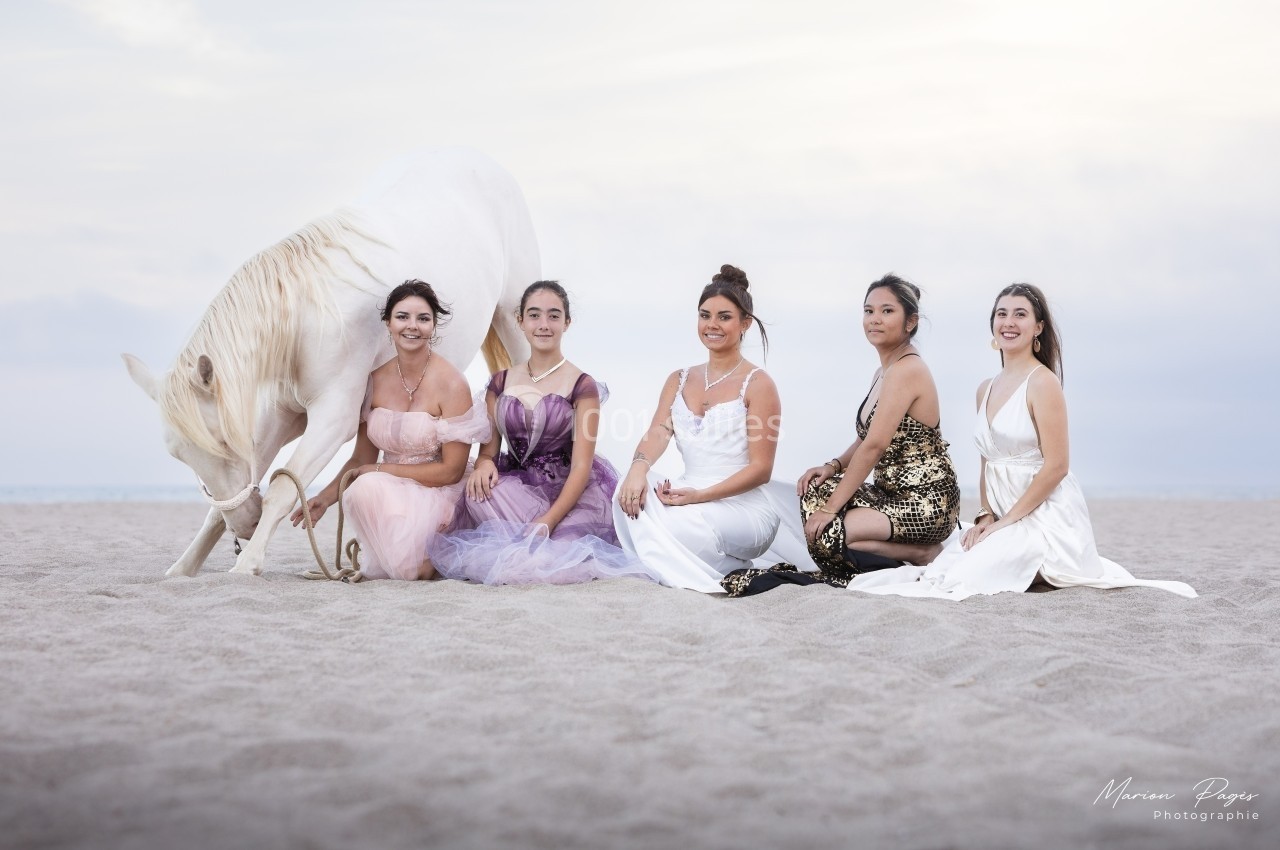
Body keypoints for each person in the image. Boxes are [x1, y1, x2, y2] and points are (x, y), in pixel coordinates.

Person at [848, 283, 1197, 600]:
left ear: (1038, 328)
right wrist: (986, 515)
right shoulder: (985, 388)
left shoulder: (1043, 383)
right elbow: (988, 460)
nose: (1009, 322)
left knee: (963, 579)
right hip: (1003, 515)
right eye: (1002, 314)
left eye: (1020, 314)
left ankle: (1033, 561)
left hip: (1045, 517)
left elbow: (1057, 467)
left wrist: (1005, 523)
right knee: (959, 560)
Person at [720, 274, 961, 596]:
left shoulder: (909, 369)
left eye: (887, 311)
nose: (874, 319)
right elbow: (866, 437)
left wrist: (832, 509)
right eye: (868, 310)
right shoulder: (884, 371)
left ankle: (922, 552)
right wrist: (832, 466)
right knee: (815, 489)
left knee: (829, 530)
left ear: (910, 321)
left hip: (927, 501)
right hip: (890, 493)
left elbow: (875, 447)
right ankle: (894, 547)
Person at [428, 281, 652, 585]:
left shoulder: (582, 385)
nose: (543, 325)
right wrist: (483, 464)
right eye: (534, 315)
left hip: (570, 489)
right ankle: (528, 543)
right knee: (478, 495)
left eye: (553, 316)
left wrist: (549, 521)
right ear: (520, 322)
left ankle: (546, 538)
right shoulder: (500, 382)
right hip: (517, 488)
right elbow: (489, 451)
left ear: (567, 323)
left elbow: (582, 466)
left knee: (559, 554)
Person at [613, 264, 808, 594]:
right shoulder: (679, 378)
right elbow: (659, 431)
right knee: (628, 495)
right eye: (705, 315)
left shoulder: (758, 384)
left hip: (744, 507)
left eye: (724, 317)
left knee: (681, 526)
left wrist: (699, 497)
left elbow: (761, 470)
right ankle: (702, 560)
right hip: (689, 491)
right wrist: (637, 468)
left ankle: (729, 566)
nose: (712, 325)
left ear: (745, 323)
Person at [290, 280, 490, 580]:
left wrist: (381, 470)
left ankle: (429, 556)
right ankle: (407, 558)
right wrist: (325, 498)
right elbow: (360, 460)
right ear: (388, 324)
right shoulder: (373, 381)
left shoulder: (452, 384)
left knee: (373, 493)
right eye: (403, 317)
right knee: (362, 490)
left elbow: (451, 471)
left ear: (433, 326)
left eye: (423, 319)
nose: (413, 326)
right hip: (388, 492)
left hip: (438, 493)